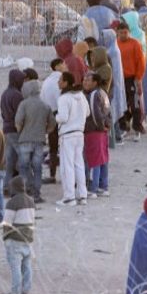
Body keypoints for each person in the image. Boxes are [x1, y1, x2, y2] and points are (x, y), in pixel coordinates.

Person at [15, 76, 56, 203]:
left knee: (23, 167)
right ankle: (37, 194)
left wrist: (21, 132)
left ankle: (25, 192)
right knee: (37, 168)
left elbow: (18, 122)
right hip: (39, 140)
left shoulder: (24, 104)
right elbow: (52, 124)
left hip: (25, 139)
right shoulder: (45, 105)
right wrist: (44, 132)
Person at [55, 72, 90, 206]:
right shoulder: (80, 96)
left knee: (67, 166)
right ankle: (82, 195)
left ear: (65, 82)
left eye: (60, 80)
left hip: (67, 135)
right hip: (79, 133)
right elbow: (87, 113)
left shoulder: (64, 98)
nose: (58, 82)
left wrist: (55, 118)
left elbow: (62, 117)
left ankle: (69, 196)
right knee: (79, 164)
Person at [0, 176, 36, 294]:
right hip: (28, 238)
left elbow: (7, 222)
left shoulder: (12, 203)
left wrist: (4, 237)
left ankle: (15, 293)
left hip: (15, 239)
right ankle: (25, 293)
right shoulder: (31, 201)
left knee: (15, 267)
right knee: (27, 267)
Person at [83, 72, 112, 197]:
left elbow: (96, 114)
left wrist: (100, 126)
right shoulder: (103, 92)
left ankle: (94, 189)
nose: (85, 82)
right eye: (84, 79)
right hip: (103, 131)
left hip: (94, 131)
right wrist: (107, 126)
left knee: (94, 160)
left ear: (95, 82)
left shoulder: (93, 95)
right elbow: (108, 112)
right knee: (103, 159)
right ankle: (103, 186)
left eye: (88, 80)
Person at [116, 22, 146, 141]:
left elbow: (141, 62)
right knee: (122, 105)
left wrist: (138, 78)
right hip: (119, 80)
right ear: (117, 33)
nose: (124, 35)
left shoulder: (135, 44)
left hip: (131, 78)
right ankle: (124, 128)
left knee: (135, 105)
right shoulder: (115, 44)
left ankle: (137, 129)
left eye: (126, 32)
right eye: (121, 33)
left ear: (129, 32)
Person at [1, 69, 26, 195]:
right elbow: (20, 114)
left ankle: (6, 186)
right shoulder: (17, 95)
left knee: (10, 161)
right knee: (23, 160)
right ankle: (20, 187)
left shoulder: (5, 93)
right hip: (15, 130)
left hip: (6, 129)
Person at [40, 60, 65, 184]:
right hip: (59, 115)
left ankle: (52, 174)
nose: (65, 65)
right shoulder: (59, 82)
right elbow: (61, 101)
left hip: (48, 115)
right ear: (57, 66)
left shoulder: (46, 81)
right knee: (65, 147)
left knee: (53, 147)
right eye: (63, 63)